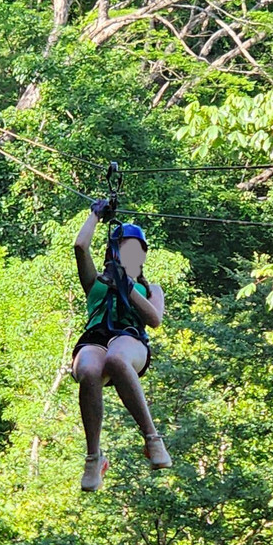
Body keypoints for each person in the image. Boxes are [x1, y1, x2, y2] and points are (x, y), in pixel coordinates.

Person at [72, 200, 170, 491]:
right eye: (123, 249)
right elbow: (80, 247)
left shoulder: (150, 288)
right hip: (96, 338)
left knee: (116, 359)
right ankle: (94, 458)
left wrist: (125, 285)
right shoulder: (94, 281)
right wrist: (95, 215)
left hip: (130, 339)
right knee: (89, 370)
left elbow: (154, 319)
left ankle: (152, 438)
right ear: (112, 252)